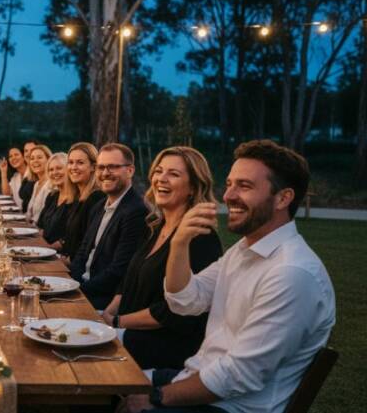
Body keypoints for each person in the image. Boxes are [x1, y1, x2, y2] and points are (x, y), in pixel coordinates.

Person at [123, 140, 335, 413]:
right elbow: (185, 302)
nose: (228, 196)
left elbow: (239, 375)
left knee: (113, 394)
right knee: (104, 377)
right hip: (197, 377)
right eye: (230, 183)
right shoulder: (244, 250)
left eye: (244, 186)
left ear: (283, 198)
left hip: (229, 405)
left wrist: (155, 397)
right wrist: (179, 244)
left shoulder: (292, 273)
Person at [101, 147, 222, 370]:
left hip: (164, 347)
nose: (161, 179)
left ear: (193, 187)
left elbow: (173, 313)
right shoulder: (154, 227)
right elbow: (128, 281)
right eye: (158, 171)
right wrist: (107, 313)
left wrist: (116, 323)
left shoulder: (200, 238)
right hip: (126, 328)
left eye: (174, 174)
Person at [69, 143, 148, 310]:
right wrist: (72, 282)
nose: (105, 173)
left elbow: (118, 270)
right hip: (82, 288)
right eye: (101, 167)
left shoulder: (136, 211)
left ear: (130, 170)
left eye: (112, 167)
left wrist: (77, 290)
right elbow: (82, 252)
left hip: (103, 301)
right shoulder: (99, 206)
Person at [59, 142, 104, 259]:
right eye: (70, 162)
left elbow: (90, 245)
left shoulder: (97, 198)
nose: (73, 167)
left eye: (80, 163)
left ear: (93, 167)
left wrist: (68, 262)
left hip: (78, 270)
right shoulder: (77, 197)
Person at [37, 152, 72, 248]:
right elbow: (41, 226)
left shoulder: (75, 200)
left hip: (59, 254)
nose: (54, 173)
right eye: (51, 170)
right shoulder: (52, 196)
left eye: (59, 168)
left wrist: (48, 248)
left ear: (69, 169)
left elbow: (70, 238)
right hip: (43, 249)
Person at [25, 144, 53, 224]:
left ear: (48, 160)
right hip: (30, 229)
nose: (35, 161)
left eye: (39, 157)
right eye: (32, 158)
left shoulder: (51, 185)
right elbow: (29, 215)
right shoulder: (37, 184)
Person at [18, 140, 39, 212]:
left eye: (32, 150)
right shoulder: (28, 172)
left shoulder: (39, 174)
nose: (28, 153)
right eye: (26, 151)